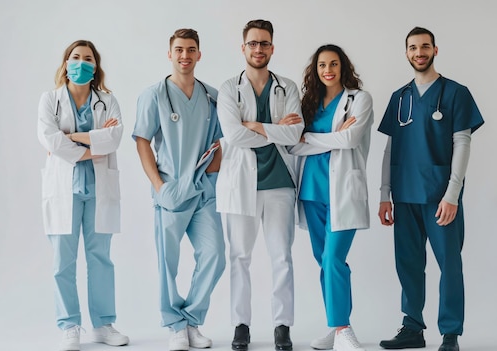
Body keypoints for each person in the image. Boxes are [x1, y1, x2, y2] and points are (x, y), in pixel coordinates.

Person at [377, 27, 484, 351]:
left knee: (449, 264)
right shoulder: (399, 97)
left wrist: (452, 194)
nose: (419, 52)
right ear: (406, 52)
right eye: (413, 47)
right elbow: (389, 149)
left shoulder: (455, 93)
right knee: (408, 264)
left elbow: (462, 143)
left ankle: (450, 333)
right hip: (404, 193)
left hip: (440, 196)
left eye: (425, 46)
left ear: (435, 50)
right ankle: (412, 328)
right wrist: (384, 193)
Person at [132, 28, 225, 351]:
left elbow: (221, 140)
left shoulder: (213, 95)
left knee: (215, 256)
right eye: (179, 49)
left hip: (202, 191)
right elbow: (142, 141)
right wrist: (159, 185)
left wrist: (212, 175)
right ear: (169, 54)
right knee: (167, 263)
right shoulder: (154, 95)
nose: (185, 55)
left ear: (199, 54)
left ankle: (192, 320)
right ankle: (174, 325)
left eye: (191, 49)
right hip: (170, 190)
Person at [215, 19, 304, 351]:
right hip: (242, 184)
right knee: (239, 256)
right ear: (243, 48)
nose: (258, 49)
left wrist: (252, 124)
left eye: (264, 43)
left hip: (280, 183)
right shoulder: (228, 88)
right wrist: (272, 127)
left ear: (272, 48)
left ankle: (282, 326)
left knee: (282, 257)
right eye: (253, 43)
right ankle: (241, 326)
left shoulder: (288, 87)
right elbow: (233, 135)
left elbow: (294, 133)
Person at [37, 40, 129, 351]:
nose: (81, 63)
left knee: (100, 259)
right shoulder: (50, 100)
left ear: (96, 66)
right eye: (75, 57)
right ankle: (69, 326)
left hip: (99, 190)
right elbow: (48, 139)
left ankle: (102, 325)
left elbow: (114, 138)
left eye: (87, 58)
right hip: (64, 191)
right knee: (63, 261)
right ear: (65, 63)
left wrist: (72, 138)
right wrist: (93, 148)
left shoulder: (107, 101)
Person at [290, 44, 374, 351]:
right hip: (312, 191)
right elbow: (293, 146)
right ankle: (336, 327)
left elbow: (350, 139)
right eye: (322, 64)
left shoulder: (359, 99)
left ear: (343, 67)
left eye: (334, 64)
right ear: (315, 69)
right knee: (323, 261)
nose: (328, 70)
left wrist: (310, 138)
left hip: (343, 192)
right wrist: (331, 138)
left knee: (333, 258)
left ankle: (342, 327)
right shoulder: (308, 104)